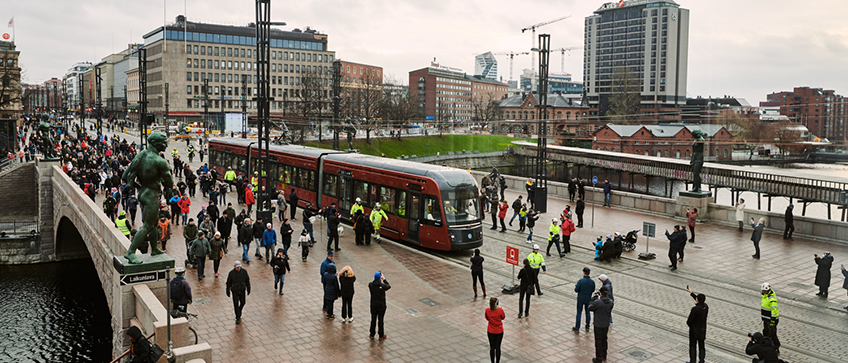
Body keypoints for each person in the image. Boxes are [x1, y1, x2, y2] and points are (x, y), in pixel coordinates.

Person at [588, 286, 614, 363]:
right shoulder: (611, 302)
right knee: (604, 339)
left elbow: (590, 307)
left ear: (600, 293)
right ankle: (604, 355)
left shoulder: (598, 302)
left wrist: (593, 299)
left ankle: (598, 358)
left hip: (598, 324)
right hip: (606, 324)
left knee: (598, 341)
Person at [686, 287, 709, 363]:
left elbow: (689, 321)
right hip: (702, 330)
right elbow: (699, 300)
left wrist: (691, 326)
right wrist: (691, 293)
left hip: (694, 331)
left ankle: (693, 361)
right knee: (701, 346)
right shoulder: (705, 307)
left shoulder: (695, 309)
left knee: (693, 346)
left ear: (697, 300)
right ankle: (702, 361)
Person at [369, 271, 391, 339]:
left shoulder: (370, 285)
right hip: (381, 305)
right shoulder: (383, 286)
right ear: (380, 278)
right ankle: (381, 335)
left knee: (373, 319)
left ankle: (372, 334)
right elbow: (389, 286)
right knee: (381, 320)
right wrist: (384, 279)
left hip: (373, 305)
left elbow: (372, 283)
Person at [759, 283, 780, 353]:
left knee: (772, 334)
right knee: (766, 332)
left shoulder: (771, 299)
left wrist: (773, 320)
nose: (764, 292)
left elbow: (774, 310)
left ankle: (776, 347)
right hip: (766, 319)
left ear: (769, 290)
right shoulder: (764, 297)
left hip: (771, 320)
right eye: (763, 291)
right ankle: (767, 346)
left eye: (765, 291)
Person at [573, 267, 595, 332]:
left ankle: (577, 328)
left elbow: (576, 290)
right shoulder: (592, 282)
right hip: (588, 298)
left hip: (581, 299)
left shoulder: (581, 281)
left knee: (579, 313)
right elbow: (593, 290)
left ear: (584, 273)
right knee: (587, 312)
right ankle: (587, 326)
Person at [485, 297, 505, 363]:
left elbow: (487, 318)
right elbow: (503, 317)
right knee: (498, 347)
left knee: (492, 347)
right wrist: (499, 308)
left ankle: (492, 361)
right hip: (499, 331)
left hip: (490, 331)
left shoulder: (487, 310)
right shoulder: (500, 310)